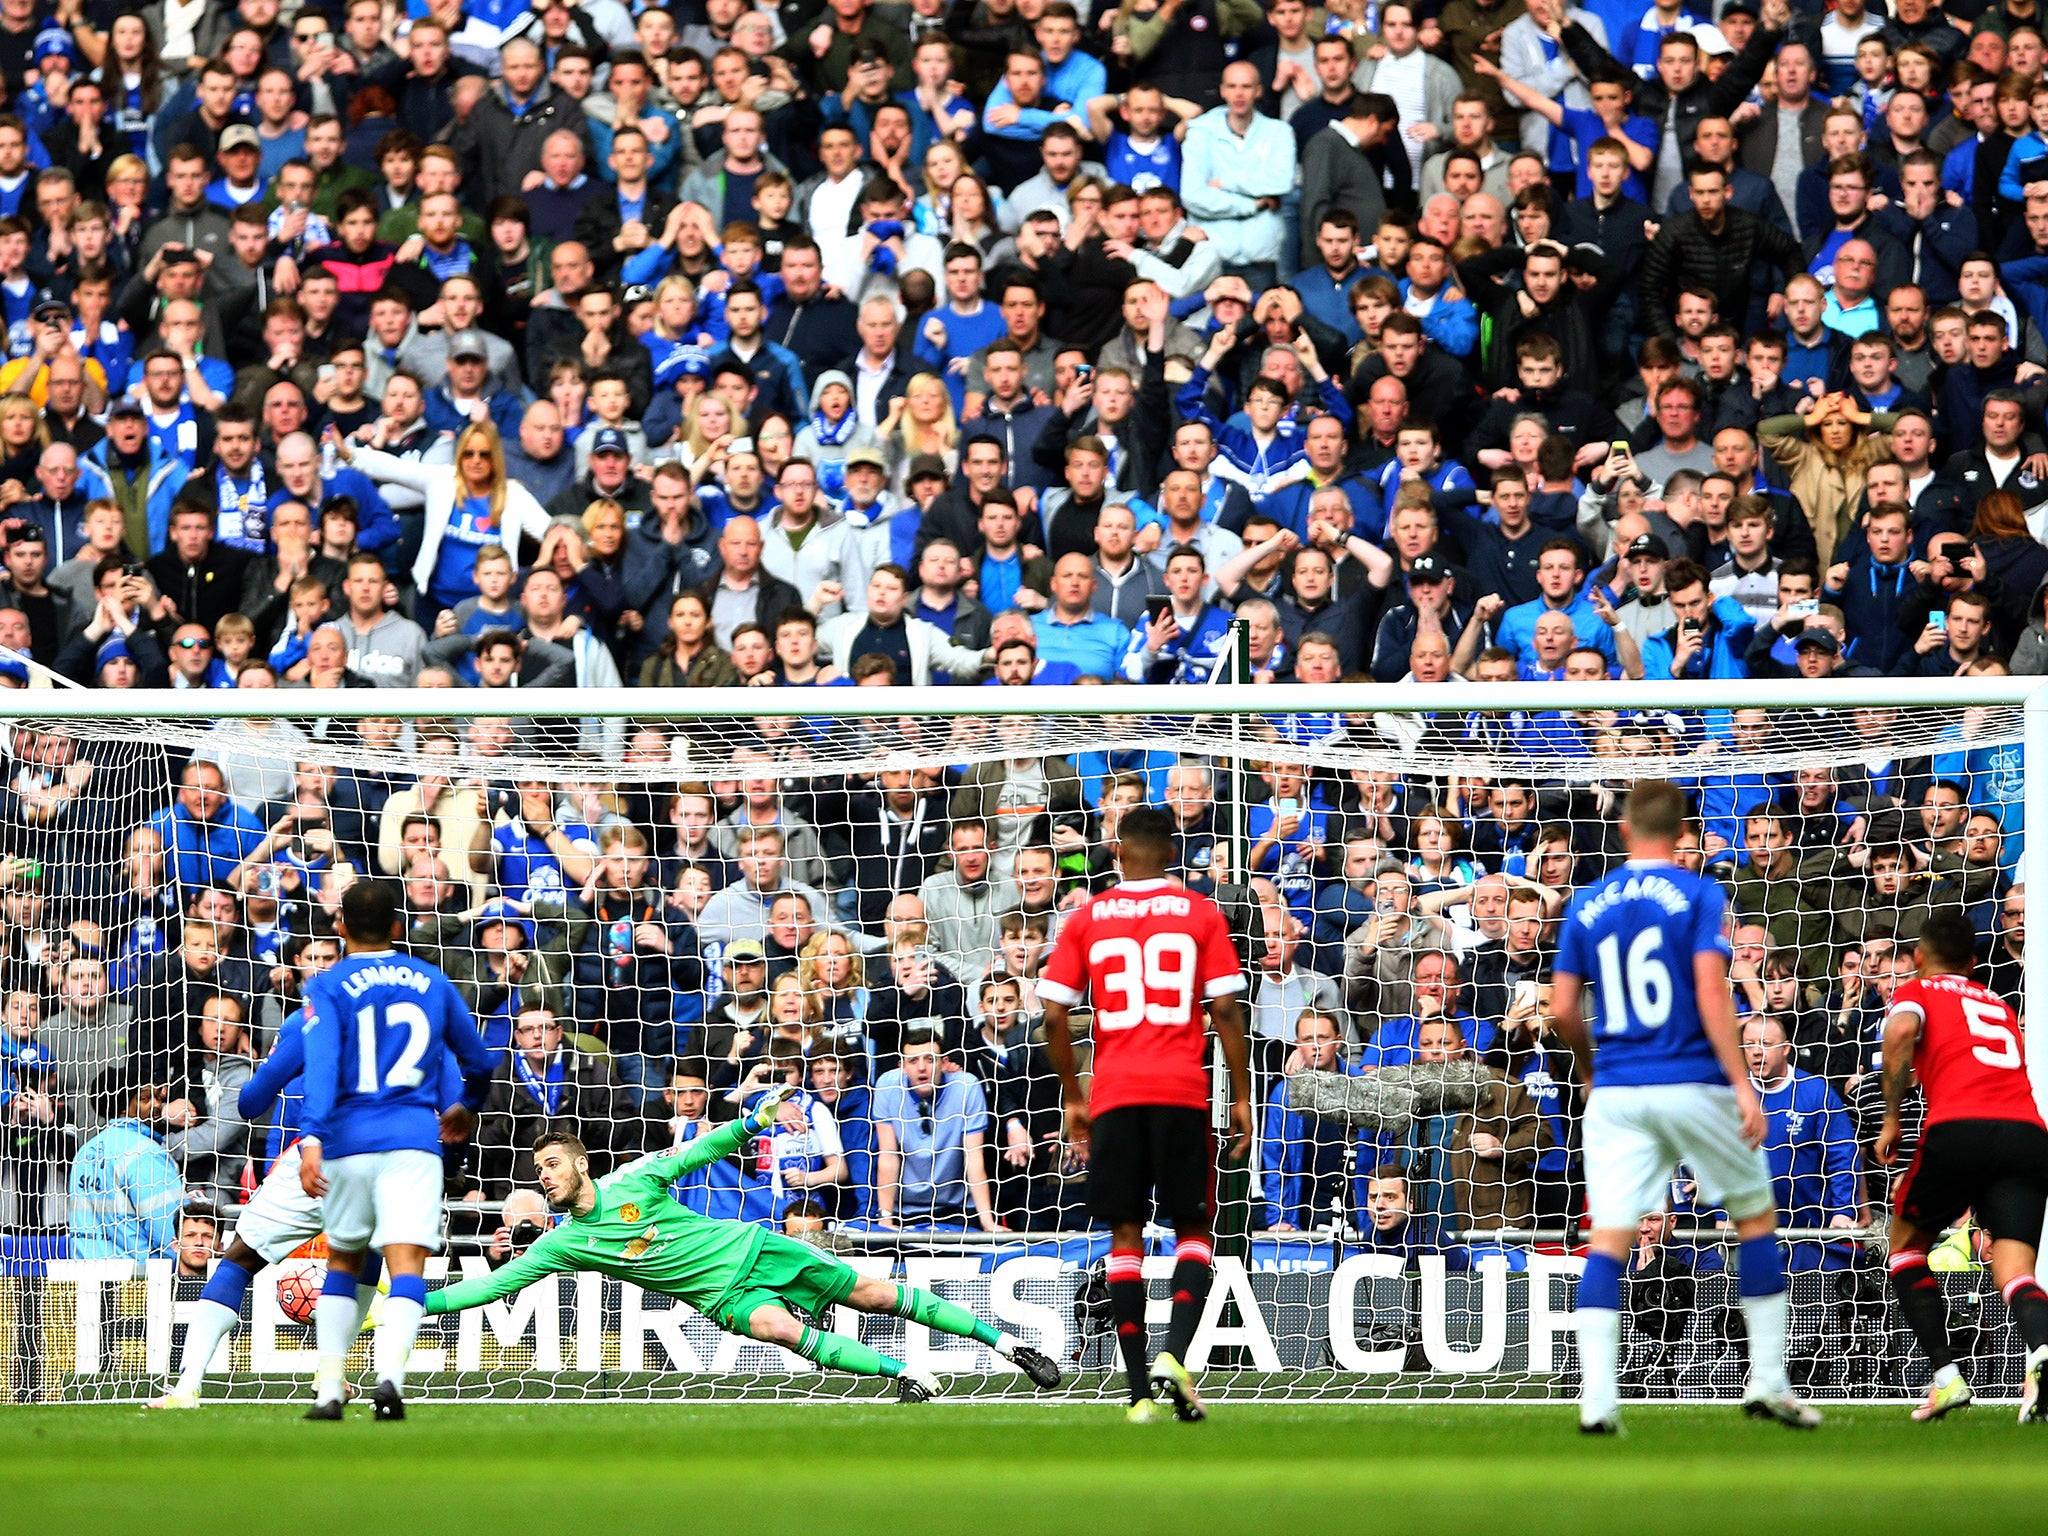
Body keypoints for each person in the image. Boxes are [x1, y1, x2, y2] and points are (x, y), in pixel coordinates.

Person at [419, 1089, 1064, 1401]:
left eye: (553, 1165)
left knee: (874, 1294)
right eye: (540, 1172)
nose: (546, 1177)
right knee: (784, 1332)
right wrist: (420, 1299)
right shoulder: (566, 1245)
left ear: (581, 1165)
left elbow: (703, 1148)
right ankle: (905, 1376)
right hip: (724, 1297)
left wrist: (755, 1119)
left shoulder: (633, 1180)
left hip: (757, 1248)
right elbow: (496, 1284)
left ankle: (1012, 1346)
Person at [1550, 779, 1821, 1434]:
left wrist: (1592, 1071)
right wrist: (1739, 1082)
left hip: (1616, 1090)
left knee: (1608, 1240)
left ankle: (1598, 1402)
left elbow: (1561, 1009)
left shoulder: (1586, 901)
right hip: (1692, 1080)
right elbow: (1709, 988)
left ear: (1622, 831)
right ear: (1681, 838)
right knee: (1755, 1220)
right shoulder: (1698, 892)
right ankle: (1768, 1381)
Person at [1039, 806, 1251, 1423]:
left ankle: (1136, 1396)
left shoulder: (1086, 918)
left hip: (1116, 1096)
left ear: (1119, 851)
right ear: (1171, 852)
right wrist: (1238, 1094)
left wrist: (1076, 1098)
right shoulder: (1201, 912)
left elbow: (1054, 1015)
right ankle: (1177, 1359)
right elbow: (1227, 1012)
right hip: (1183, 1092)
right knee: (1193, 1229)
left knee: (1124, 1236)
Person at [294, 879, 496, 1421]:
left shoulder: (328, 985)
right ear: (397, 926)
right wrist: (466, 1105)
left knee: (343, 1258)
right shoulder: (431, 980)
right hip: (412, 1138)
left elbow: (322, 1068)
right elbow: (477, 1061)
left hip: (345, 1140)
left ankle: (331, 1390)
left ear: (340, 927)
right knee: (406, 1264)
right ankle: (389, 1379)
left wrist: (310, 1137)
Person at [1876, 907, 2048, 1422]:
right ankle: (2042, 1356)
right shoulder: (1997, 1002)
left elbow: (1899, 1035)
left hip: (1960, 1127)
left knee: (1905, 1249)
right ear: (1973, 961)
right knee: (2016, 1272)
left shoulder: (1918, 991)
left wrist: (1891, 1118)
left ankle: (1946, 1378)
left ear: (1920, 957)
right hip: (2027, 1134)